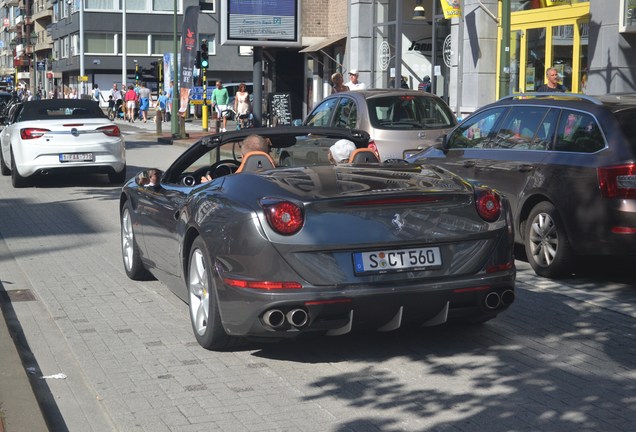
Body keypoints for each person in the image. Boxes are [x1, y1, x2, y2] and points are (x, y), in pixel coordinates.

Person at [201, 135, 271, 183]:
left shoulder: (232, 184)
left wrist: (209, 186)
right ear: (268, 155)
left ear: (243, 158)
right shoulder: (279, 179)